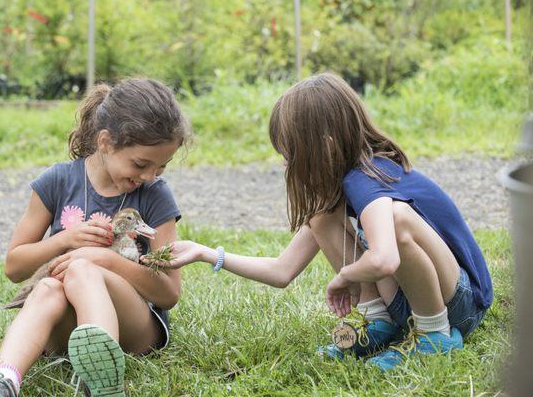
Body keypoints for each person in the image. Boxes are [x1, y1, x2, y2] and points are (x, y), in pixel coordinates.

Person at [149, 73, 492, 371]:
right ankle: (378, 322)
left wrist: (344, 277)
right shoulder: (337, 192)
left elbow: (386, 257)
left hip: (457, 306)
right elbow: (282, 271)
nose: (286, 166)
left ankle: (434, 336)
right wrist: (207, 253)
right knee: (320, 213)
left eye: (291, 155)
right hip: (407, 302)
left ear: (325, 148)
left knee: (398, 220)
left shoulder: (368, 179)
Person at [0, 77, 192, 397]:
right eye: (141, 164)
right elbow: (14, 267)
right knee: (46, 287)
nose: (149, 177)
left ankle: (103, 385)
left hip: (134, 327)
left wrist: (101, 258)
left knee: (83, 269)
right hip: (63, 330)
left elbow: (168, 292)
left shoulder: (155, 195)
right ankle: (0, 382)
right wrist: (65, 241)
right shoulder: (57, 181)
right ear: (105, 142)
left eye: (161, 168)